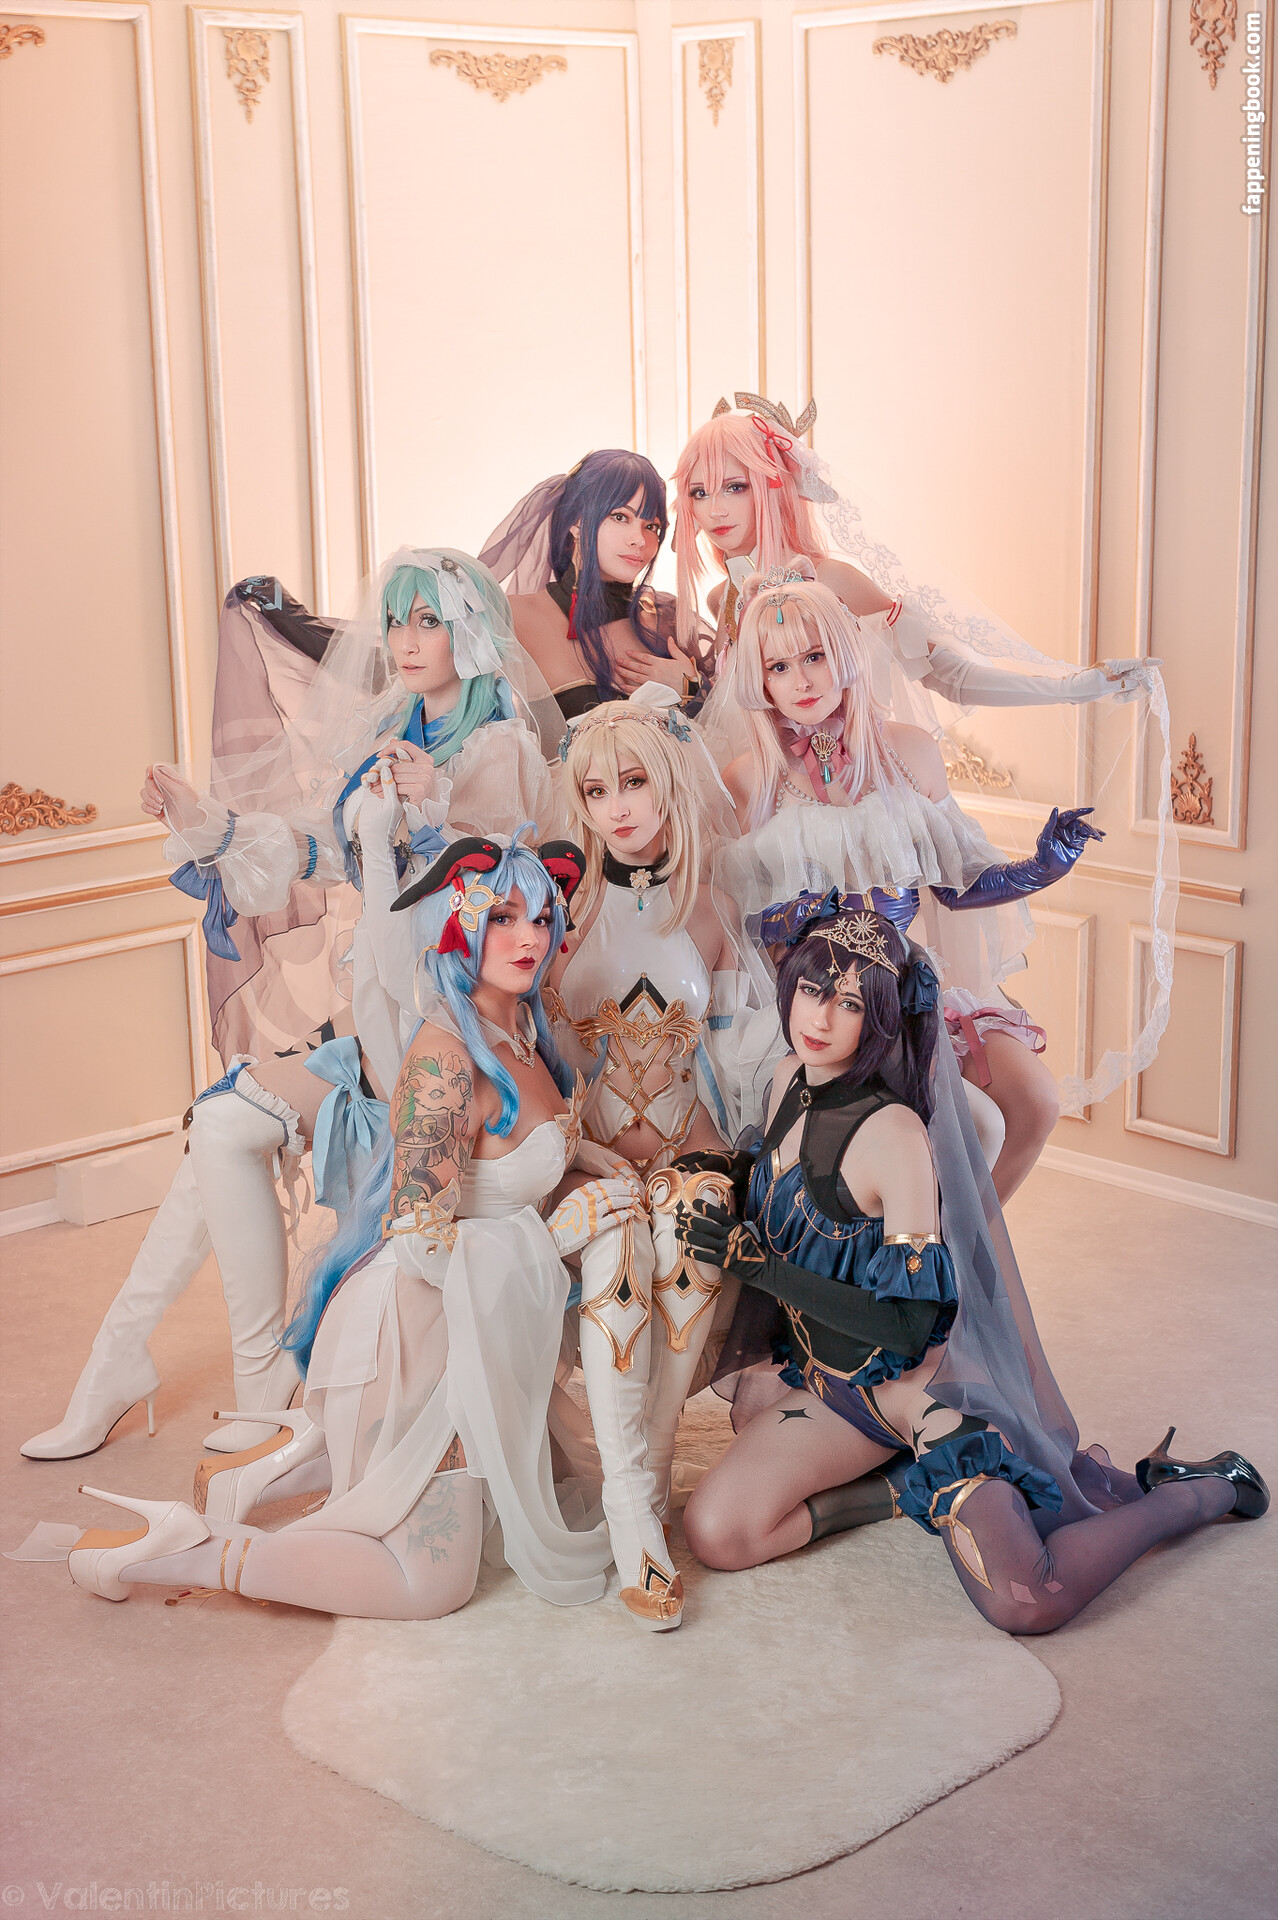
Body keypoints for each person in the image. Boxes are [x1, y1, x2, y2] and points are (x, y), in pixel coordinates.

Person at [21, 552, 554, 1464]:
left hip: (453, 1030)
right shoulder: (388, 727)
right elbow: (321, 851)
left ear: (468, 633)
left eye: (428, 621)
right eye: (397, 622)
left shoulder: (498, 747)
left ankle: (183, 1370)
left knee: (224, 1123)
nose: (407, 641)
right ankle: (158, 1366)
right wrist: (209, 824)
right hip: (381, 1005)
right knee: (221, 1125)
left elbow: (514, 897)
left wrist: (442, 808)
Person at [62, 839, 655, 1623]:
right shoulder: (446, 1063)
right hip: (416, 1339)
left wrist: (586, 1155)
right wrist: (553, 1236)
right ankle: (186, 1547)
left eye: (543, 918)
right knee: (429, 1583)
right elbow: (421, 1244)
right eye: (504, 918)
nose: (530, 938)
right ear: (457, 926)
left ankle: (285, 1462)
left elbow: (515, 1150)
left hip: (476, 1326)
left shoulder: (522, 1028)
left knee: (549, 1492)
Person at [674, 901, 1267, 1634]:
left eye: (850, 1002)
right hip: (831, 1387)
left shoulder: (893, 1134)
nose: (819, 1016)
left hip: (924, 1395)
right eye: (812, 989)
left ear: (881, 1017)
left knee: (1027, 1599)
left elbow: (908, 1329)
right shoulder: (789, 1078)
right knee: (719, 1533)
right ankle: (900, 1491)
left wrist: (762, 1269)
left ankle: (1198, 1492)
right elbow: (786, 1196)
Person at [717, 569, 1104, 1201]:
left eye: (815, 656)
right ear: (760, 682)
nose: (802, 681)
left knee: (1031, 1104)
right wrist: (800, 919)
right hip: (813, 999)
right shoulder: (748, 781)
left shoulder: (909, 751)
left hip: (904, 983)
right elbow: (738, 926)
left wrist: (1043, 867)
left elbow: (955, 884)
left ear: (845, 653)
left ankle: (955, 1251)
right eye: (779, 667)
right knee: (951, 1130)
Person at [551, 685, 770, 1526]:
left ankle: (655, 1448)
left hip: (692, 1146)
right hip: (587, 1155)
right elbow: (536, 1049)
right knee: (620, 1272)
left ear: (669, 782)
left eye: (634, 782)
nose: (617, 808)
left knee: (692, 1243)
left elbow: (741, 1056)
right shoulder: (560, 911)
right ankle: (622, 1470)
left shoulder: (711, 906)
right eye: (596, 791)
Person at [480, 449, 711, 715]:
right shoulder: (510, 617)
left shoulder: (667, 619)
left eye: (651, 526)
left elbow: (728, 723)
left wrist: (692, 689)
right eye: (620, 517)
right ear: (576, 522)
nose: (639, 540)